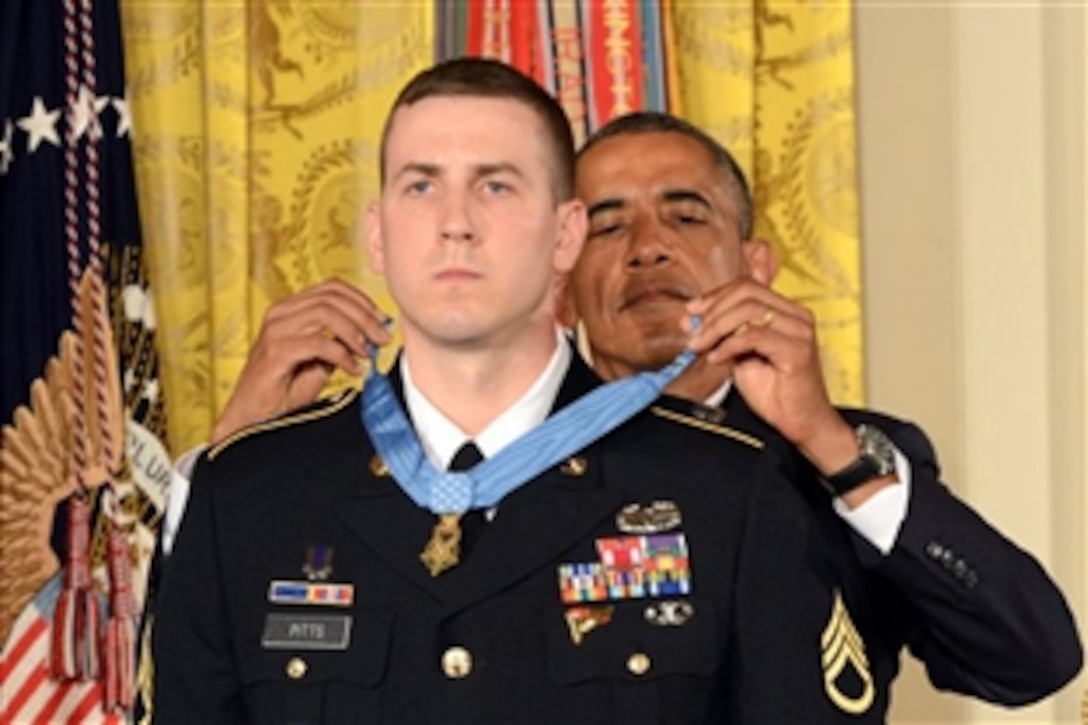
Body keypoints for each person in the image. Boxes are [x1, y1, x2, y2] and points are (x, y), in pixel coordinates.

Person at [173, 106, 1083, 719]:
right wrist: (238, 450)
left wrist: (830, 447)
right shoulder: (459, 456)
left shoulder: (833, 458)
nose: (648, 249)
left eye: (685, 217)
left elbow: (1032, 658)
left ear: (755, 264)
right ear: (559, 271)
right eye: (608, 225)